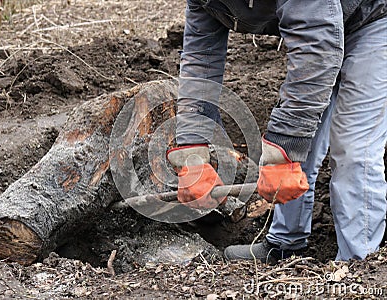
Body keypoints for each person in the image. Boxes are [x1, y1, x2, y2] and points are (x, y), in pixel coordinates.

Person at [166, 0, 387, 263]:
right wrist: (192, 149)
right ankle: (286, 242)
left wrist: (283, 148)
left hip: (370, 23)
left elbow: (317, 47)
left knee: (353, 148)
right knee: (299, 140)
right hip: (316, 31)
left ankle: (356, 264)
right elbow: (201, 58)